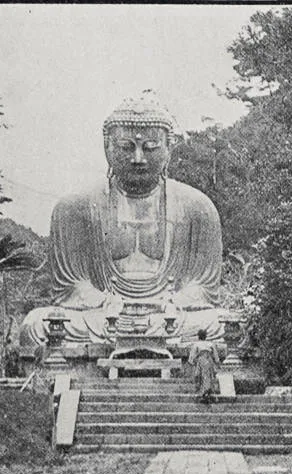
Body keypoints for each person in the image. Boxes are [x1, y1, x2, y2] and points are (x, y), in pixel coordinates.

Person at [19, 94, 224, 346]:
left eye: (150, 147)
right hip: (102, 316)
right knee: (35, 325)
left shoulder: (198, 207)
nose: (138, 158)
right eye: (126, 147)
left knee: (216, 323)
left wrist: (171, 303)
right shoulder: (74, 207)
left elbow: (203, 288)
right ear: (107, 147)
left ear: (168, 148)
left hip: (169, 316)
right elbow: (70, 287)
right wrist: (106, 302)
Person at [188, 329, 221, 403]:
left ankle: (205, 393)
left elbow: (192, 356)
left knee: (202, 376)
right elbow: (215, 355)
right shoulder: (210, 344)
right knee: (207, 376)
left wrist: (191, 361)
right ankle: (205, 392)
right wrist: (217, 362)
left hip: (202, 361)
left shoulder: (196, 344)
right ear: (206, 336)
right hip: (208, 361)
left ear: (198, 336)